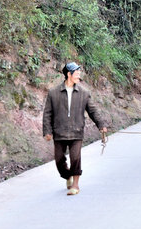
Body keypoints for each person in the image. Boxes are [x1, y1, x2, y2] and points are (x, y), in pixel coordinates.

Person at [42, 62, 108, 196]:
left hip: (76, 130)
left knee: (75, 158)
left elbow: (93, 111)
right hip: (59, 131)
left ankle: (75, 184)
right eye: (77, 74)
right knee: (59, 160)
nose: (79, 76)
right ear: (68, 74)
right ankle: (67, 176)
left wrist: (101, 124)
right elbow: (47, 113)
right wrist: (47, 131)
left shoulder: (84, 93)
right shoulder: (53, 93)